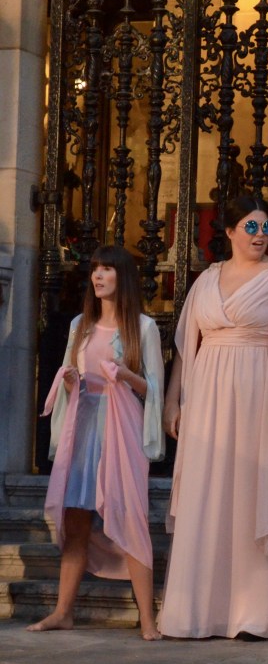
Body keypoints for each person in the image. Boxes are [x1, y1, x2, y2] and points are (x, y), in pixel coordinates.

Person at [158, 194, 268, 639]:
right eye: (251, 227)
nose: (260, 235)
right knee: (209, 491)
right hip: (207, 395)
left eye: (266, 227)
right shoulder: (206, 280)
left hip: (257, 394)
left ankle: (254, 612)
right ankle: (200, 610)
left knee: (252, 490)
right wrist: (173, 400)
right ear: (229, 231)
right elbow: (186, 347)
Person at [28, 245, 164, 640]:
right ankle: (63, 612)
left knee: (132, 519)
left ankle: (148, 620)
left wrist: (125, 374)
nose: (98, 277)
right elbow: (73, 379)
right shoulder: (80, 325)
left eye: (106, 269)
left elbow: (153, 389)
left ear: (123, 276)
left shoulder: (143, 328)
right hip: (84, 425)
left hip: (121, 429)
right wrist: (71, 382)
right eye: (95, 270)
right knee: (76, 521)